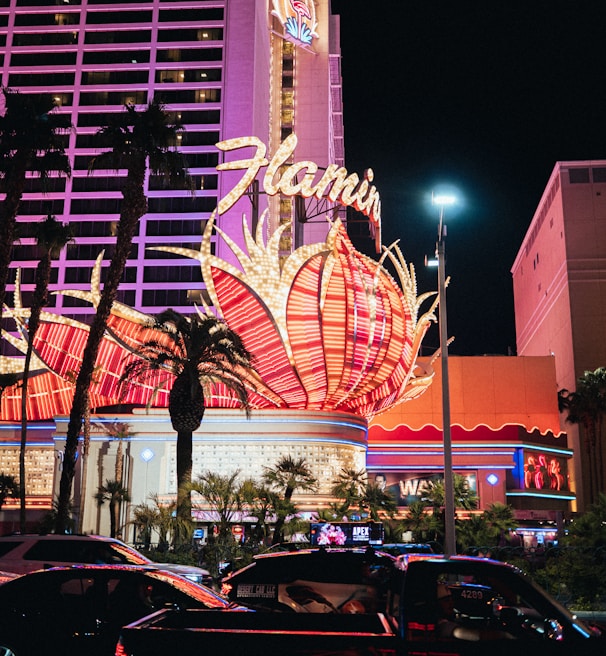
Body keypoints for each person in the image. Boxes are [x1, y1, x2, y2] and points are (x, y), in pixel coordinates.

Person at [435, 583, 513, 642]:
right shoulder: (442, 625)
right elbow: (471, 635)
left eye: (451, 600)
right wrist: (504, 635)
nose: (451, 603)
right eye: (446, 601)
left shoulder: (454, 617)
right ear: (437, 604)